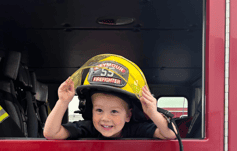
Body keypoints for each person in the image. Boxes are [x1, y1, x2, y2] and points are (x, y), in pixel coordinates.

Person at [43, 55, 176, 140]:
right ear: (90, 110)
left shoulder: (135, 129)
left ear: (129, 115)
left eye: (114, 111)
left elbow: (171, 134)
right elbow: (51, 133)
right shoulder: (88, 127)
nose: (105, 118)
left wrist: (153, 113)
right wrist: (63, 102)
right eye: (99, 110)